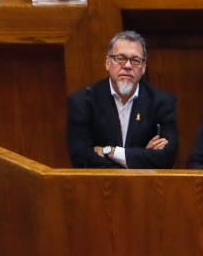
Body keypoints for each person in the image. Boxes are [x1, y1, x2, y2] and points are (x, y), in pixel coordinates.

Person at [66, 31, 178, 169]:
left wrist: (110, 152)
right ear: (108, 63)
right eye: (120, 58)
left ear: (143, 68)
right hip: (98, 187)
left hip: (145, 187)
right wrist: (142, 157)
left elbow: (167, 157)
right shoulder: (83, 101)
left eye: (135, 60)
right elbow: (81, 158)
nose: (128, 66)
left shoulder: (161, 102)